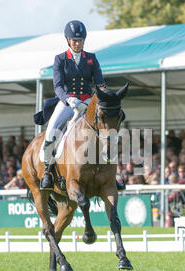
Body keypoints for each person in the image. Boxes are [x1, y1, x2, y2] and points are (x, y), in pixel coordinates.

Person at [40, 20, 123, 191]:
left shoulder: (91, 59)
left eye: (80, 40)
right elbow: (58, 86)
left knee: (106, 133)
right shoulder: (60, 59)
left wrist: (104, 97)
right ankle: (47, 172)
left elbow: (100, 83)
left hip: (87, 102)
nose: (77, 43)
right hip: (67, 102)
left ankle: (113, 175)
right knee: (51, 132)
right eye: (74, 40)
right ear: (68, 40)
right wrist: (68, 99)